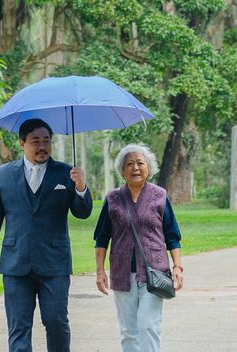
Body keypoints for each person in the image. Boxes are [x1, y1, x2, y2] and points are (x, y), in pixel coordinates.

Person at [0, 118, 93, 352]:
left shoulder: (66, 173)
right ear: (22, 143)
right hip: (15, 263)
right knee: (18, 327)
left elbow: (82, 213)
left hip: (55, 264)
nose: (42, 146)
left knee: (56, 322)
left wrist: (80, 187)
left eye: (46, 141)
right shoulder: (3, 175)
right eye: (35, 141)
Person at [94, 144, 183, 352]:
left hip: (154, 272)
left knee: (148, 325)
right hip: (122, 272)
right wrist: (100, 271)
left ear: (148, 168)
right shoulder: (112, 199)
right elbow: (101, 239)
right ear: (122, 171)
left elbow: (172, 236)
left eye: (140, 163)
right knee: (128, 330)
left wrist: (178, 267)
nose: (135, 168)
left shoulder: (160, 196)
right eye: (129, 164)